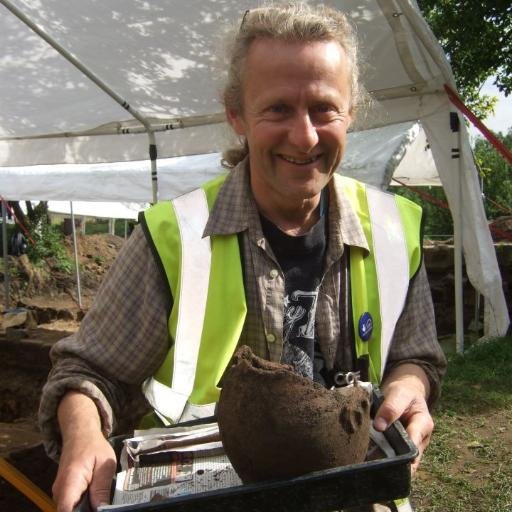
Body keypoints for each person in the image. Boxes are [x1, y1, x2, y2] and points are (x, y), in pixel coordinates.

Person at [39, 4, 446, 512]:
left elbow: (418, 355)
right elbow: (86, 373)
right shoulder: (175, 237)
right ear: (236, 114)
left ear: (351, 110)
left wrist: (411, 385)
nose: (305, 137)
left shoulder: (392, 228)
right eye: (277, 109)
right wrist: (83, 433)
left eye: (324, 108)